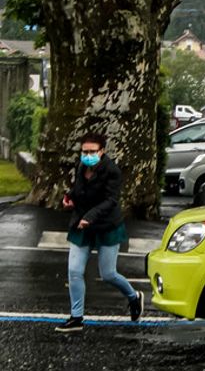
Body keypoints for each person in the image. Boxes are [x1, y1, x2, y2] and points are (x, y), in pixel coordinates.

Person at [56, 132, 141, 332]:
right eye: (84, 151)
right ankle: (76, 318)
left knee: (108, 274)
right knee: (74, 271)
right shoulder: (81, 166)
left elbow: (111, 200)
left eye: (92, 151)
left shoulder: (112, 171)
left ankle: (133, 297)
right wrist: (69, 197)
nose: (87, 155)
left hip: (106, 226)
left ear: (102, 151)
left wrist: (90, 217)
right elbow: (79, 189)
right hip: (82, 225)